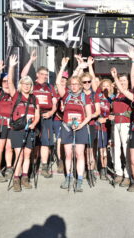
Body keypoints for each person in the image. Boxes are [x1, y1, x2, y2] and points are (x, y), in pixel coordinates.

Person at [56, 57, 92, 192]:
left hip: (81, 127)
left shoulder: (85, 97)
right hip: (67, 127)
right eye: (72, 84)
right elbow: (58, 82)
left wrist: (81, 125)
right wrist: (63, 67)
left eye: (77, 84)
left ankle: (80, 179)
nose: (74, 86)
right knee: (68, 154)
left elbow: (89, 115)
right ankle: (69, 177)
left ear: (81, 85)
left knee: (79, 154)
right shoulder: (66, 95)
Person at [21, 50, 58, 178]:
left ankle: (44, 167)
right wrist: (31, 60)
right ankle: (31, 166)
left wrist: (52, 112)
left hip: (46, 116)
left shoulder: (50, 87)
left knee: (45, 143)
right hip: (33, 117)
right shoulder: (32, 85)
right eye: (42, 74)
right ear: (37, 74)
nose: (45, 76)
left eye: (46, 75)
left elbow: (54, 103)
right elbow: (23, 75)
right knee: (33, 142)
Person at [109, 47, 134, 186]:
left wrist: (132, 61)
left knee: (126, 150)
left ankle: (127, 175)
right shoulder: (116, 95)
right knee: (115, 149)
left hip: (126, 124)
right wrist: (110, 116)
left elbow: (133, 77)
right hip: (116, 124)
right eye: (121, 81)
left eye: (124, 81)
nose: (123, 82)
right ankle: (118, 173)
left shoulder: (131, 93)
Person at [8, 74, 40, 192]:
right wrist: (11, 67)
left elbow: (37, 115)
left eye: (29, 84)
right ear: (20, 85)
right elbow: (10, 83)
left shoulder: (34, 98)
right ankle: (16, 178)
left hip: (30, 129)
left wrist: (34, 124)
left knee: (27, 154)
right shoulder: (16, 95)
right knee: (19, 155)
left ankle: (25, 177)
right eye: (24, 84)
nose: (27, 86)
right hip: (17, 130)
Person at [0, 56, 18, 182]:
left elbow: (13, 81)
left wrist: (12, 67)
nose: (7, 84)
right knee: (0, 147)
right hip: (1, 122)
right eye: (4, 81)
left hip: (11, 124)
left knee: (9, 148)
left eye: (8, 81)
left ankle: (9, 168)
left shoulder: (14, 94)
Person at [95, 79, 114, 180]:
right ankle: (91, 167)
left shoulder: (112, 99)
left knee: (103, 149)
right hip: (96, 125)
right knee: (93, 148)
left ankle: (103, 168)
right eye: (104, 86)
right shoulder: (97, 97)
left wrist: (106, 119)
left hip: (106, 127)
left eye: (108, 86)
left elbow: (113, 115)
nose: (106, 88)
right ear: (101, 87)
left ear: (111, 87)